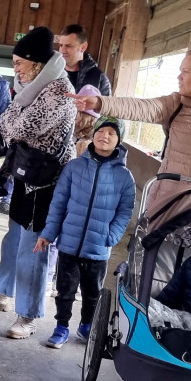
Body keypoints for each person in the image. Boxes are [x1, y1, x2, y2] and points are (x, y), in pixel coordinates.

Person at [0, 26, 77, 340]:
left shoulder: (58, 91)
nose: (14, 68)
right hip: (25, 172)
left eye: (19, 63)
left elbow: (23, 127)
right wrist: (11, 119)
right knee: (13, 239)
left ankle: (28, 315)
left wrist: (12, 119)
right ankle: (1, 292)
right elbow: (7, 119)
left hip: (47, 182)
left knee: (35, 247)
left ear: (37, 63)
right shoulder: (33, 87)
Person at [70, 46, 191, 205]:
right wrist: (99, 103)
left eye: (185, 72)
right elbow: (140, 107)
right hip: (166, 204)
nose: (179, 77)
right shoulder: (174, 104)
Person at [34, 116, 135, 348]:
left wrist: (112, 236)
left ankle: (86, 326)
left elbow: (124, 212)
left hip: (98, 247)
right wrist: (49, 233)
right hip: (69, 243)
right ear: (94, 133)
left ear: (119, 140)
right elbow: (58, 203)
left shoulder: (124, 177)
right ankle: (61, 327)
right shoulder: (74, 167)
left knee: (92, 294)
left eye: (111, 133)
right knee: (64, 291)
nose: (104, 136)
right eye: (101, 131)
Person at [58, 24, 111, 96]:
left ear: (83, 47)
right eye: (61, 45)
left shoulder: (99, 77)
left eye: (68, 46)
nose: (62, 50)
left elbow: (107, 106)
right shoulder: (52, 72)